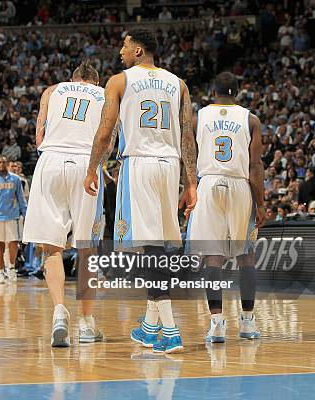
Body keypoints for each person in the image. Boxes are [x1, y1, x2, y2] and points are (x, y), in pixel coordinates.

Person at [85, 28, 197, 354]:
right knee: (156, 246)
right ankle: (150, 326)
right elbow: (187, 137)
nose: (120, 49)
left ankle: (171, 329)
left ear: (138, 51)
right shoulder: (179, 84)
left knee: (151, 249)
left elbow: (106, 131)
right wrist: (191, 183)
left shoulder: (119, 81)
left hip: (140, 165)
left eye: (124, 44)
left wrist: (92, 167)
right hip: (169, 166)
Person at [23, 61, 107, 347]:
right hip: (86, 161)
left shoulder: (51, 91)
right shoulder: (105, 94)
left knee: (51, 247)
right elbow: (107, 138)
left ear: (72, 79)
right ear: (94, 82)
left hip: (50, 161)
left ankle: (60, 313)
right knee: (87, 247)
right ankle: (86, 323)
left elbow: (39, 136)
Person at [186, 72, 265, 344]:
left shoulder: (198, 118)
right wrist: (261, 202)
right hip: (240, 185)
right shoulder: (250, 119)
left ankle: (217, 324)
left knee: (213, 258)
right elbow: (256, 166)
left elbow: (188, 156)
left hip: (208, 184)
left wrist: (188, 188)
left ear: (213, 90)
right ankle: (247, 322)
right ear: (238, 92)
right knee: (246, 256)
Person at [0, 156, 27, 284]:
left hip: (12, 215)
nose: (2, 164)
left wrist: (25, 214)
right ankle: (0, 272)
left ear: (7, 164)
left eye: (4, 162)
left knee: (13, 242)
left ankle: (12, 268)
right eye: (0, 162)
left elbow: (21, 198)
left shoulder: (16, 180)